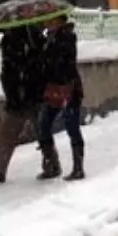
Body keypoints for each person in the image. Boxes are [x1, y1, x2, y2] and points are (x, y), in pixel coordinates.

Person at [0, 25, 48, 183]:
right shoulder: (14, 39)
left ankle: (51, 163)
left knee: (40, 132)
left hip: (29, 92)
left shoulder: (30, 37)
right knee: (7, 133)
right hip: (19, 94)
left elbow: (32, 64)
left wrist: (24, 79)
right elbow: (9, 68)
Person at [35, 17, 86, 181]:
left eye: (50, 21)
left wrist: (48, 56)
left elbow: (64, 63)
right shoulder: (48, 38)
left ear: (59, 21)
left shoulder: (67, 37)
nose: (46, 23)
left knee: (72, 126)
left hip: (68, 87)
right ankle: (52, 164)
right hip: (52, 88)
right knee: (43, 124)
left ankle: (78, 168)